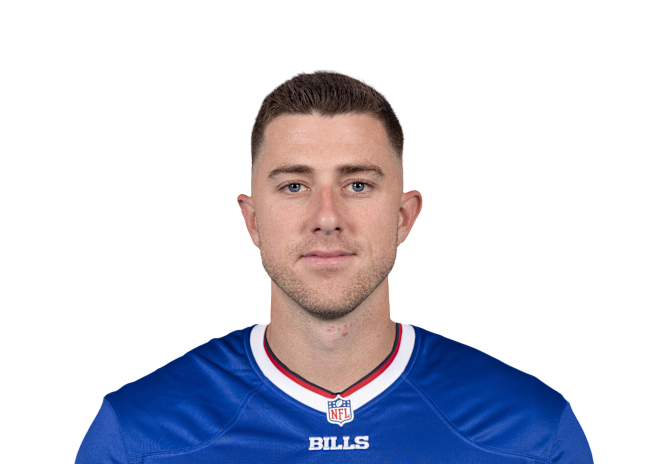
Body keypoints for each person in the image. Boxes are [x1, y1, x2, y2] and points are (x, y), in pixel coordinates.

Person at [75, 69, 594, 463]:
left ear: (404, 216)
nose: (327, 218)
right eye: (294, 186)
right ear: (252, 220)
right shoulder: (138, 434)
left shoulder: (531, 430)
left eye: (358, 185)